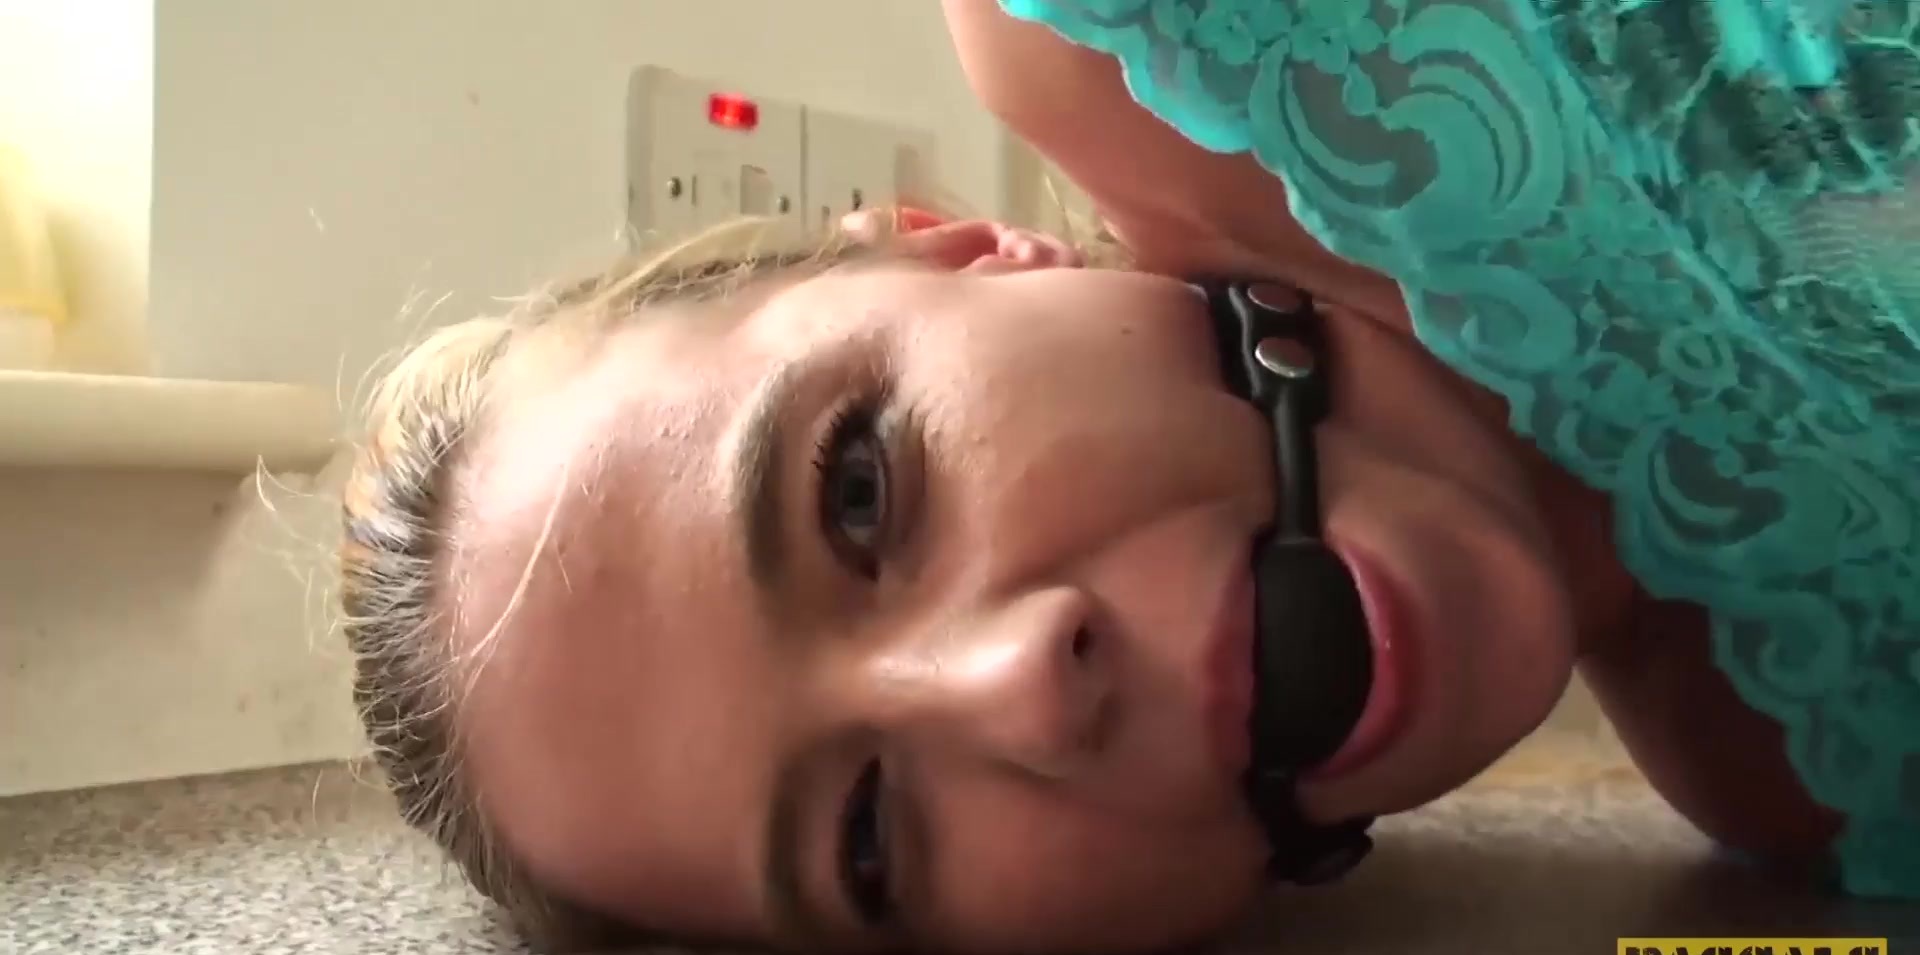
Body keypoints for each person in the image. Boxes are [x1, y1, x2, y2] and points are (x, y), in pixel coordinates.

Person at [334, 3, 1918, 954]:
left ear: (954, 249)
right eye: (869, 842)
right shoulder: (1820, 785)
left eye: (857, 489)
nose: (1020, 682)